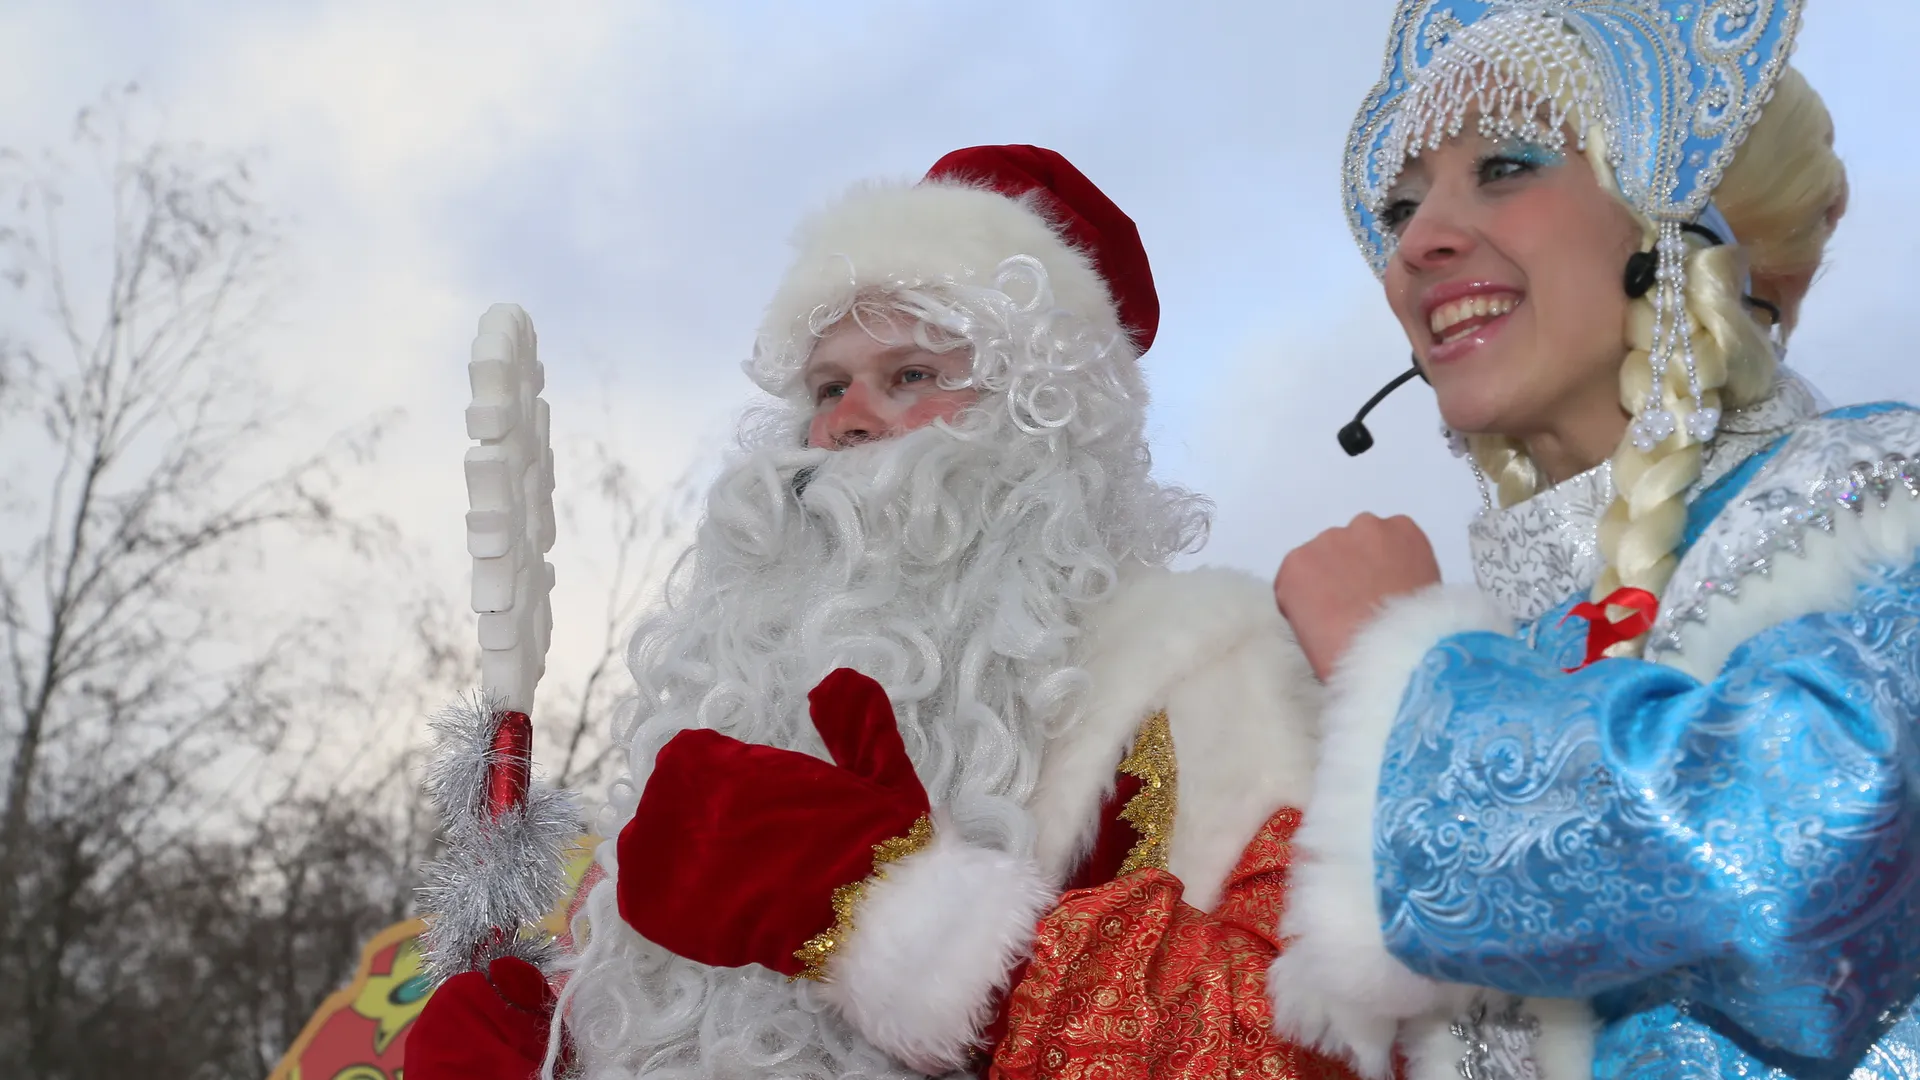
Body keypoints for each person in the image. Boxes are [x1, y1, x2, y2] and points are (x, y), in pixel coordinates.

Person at [406, 145, 1359, 1080]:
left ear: (1045, 426)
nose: (846, 421)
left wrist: (897, 910)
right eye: (827, 386)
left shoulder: (1204, 673)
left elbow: (1290, 1048)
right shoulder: (738, 689)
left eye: (910, 375)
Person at [1266, 3, 1917, 1079]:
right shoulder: (1510, 641)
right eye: (1401, 203)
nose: (1419, 241)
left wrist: (1411, 678)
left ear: (1685, 225)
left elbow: (1789, 866)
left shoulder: (1879, 497)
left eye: (1507, 166)